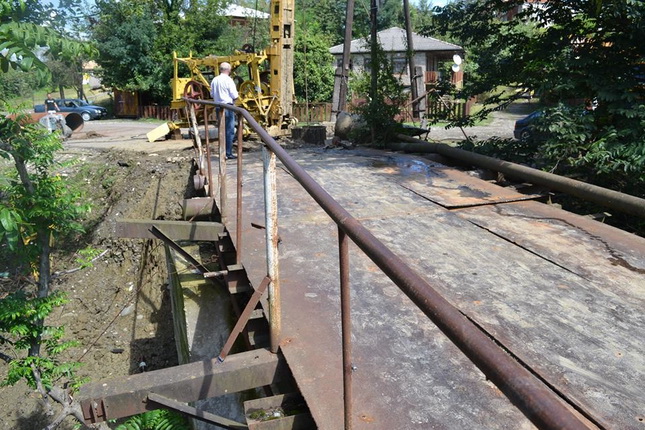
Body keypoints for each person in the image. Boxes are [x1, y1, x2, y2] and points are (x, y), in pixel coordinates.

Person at [210, 62, 239, 159]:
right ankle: (228, 153)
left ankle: (222, 152)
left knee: (221, 130)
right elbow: (235, 95)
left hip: (218, 107)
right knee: (229, 131)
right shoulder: (229, 80)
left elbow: (212, 94)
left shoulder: (215, 80)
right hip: (228, 106)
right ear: (229, 70)